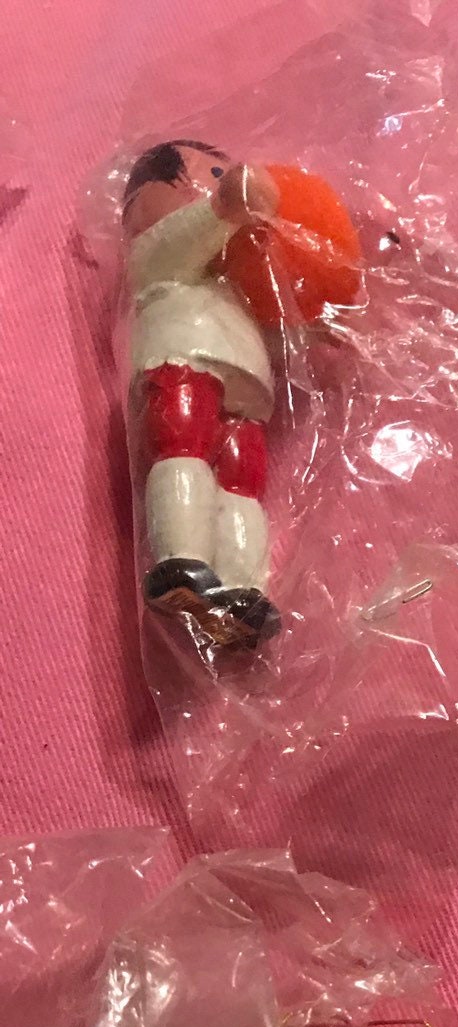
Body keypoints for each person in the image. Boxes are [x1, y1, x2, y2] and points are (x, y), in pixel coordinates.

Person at [123, 139, 281, 647]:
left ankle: (243, 590)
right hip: (184, 357)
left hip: (247, 382)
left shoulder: (233, 282)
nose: (217, 180)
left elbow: (274, 320)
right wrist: (223, 206)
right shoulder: (154, 256)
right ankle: (181, 562)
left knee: (241, 480)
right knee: (182, 445)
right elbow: (179, 240)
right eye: (211, 172)